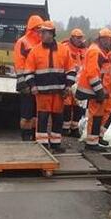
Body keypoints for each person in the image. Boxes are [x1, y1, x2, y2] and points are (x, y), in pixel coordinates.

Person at [23, 20, 76, 153]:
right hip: (42, 93)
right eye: (41, 32)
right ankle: (42, 144)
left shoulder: (64, 50)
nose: (42, 35)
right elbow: (28, 72)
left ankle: (55, 144)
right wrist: (32, 86)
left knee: (58, 118)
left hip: (59, 92)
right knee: (42, 118)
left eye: (44, 32)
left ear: (52, 34)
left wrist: (68, 86)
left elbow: (71, 70)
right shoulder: (35, 51)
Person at [76, 28, 111, 151]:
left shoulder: (104, 52)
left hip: (104, 90)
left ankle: (97, 137)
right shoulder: (95, 52)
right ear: (104, 40)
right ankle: (92, 142)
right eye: (110, 40)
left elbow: (105, 73)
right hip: (97, 90)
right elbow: (92, 73)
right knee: (95, 116)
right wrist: (99, 91)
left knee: (110, 111)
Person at [13, 15, 44, 140]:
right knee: (27, 113)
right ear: (33, 29)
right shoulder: (23, 42)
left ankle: (33, 134)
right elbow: (19, 64)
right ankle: (25, 136)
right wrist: (23, 84)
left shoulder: (41, 43)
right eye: (39, 29)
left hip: (37, 83)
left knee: (36, 112)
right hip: (26, 83)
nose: (41, 32)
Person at [60, 28, 87, 138]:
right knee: (66, 104)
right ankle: (65, 128)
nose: (80, 40)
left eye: (81, 38)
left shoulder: (84, 50)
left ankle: (74, 128)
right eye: (78, 38)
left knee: (78, 105)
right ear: (72, 37)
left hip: (79, 81)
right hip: (67, 79)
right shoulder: (65, 48)